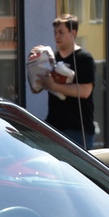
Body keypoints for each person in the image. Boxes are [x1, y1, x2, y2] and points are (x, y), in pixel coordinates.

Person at [44, 14, 96, 148]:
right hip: (54, 127)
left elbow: (85, 91)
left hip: (78, 130)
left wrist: (54, 86)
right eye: (55, 32)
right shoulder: (52, 58)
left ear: (73, 33)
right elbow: (37, 87)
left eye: (61, 32)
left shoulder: (84, 58)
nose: (57, 36)